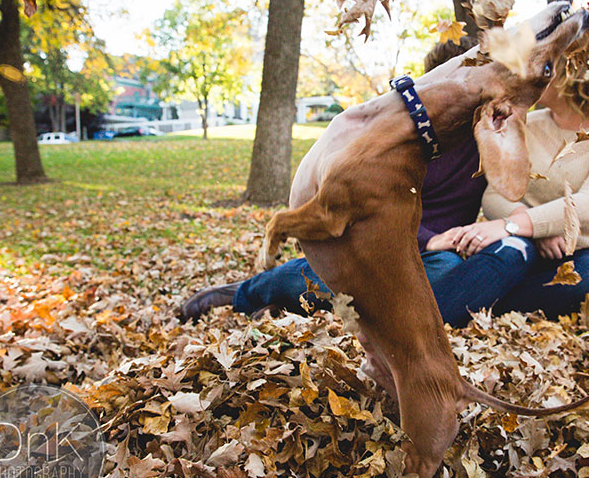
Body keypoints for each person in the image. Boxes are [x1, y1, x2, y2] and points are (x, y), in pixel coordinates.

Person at [179, 36, 519, 322]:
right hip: (377, 244)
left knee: (443, 274)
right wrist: (430, 239)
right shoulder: (405, 134)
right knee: (352, 274)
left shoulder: (489, 136)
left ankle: (294, 300)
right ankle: (252, 291)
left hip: (434, 258)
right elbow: (373, 205)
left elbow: (512, 193)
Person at [429, 52, 589, 326]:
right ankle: (424, 321)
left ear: (575, 73)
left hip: (588, 251)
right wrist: (525, 228)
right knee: (507, 252)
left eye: (545, 66)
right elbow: (497, 192)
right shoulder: (526, 124)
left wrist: (517, 224)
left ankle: (477, 309)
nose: (529, 74)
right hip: (524, 244)